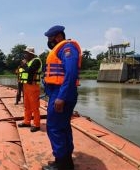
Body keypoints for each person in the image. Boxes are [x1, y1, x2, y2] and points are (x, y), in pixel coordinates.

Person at [41, 25, 82, 170]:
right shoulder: (61, 49)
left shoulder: (67, 48)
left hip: (62, 92)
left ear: (58, 36)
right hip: (57, 92)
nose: (49, 41)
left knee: (54, 128)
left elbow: (70, 73)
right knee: (63, 127)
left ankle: (62, 165)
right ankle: (64, 161)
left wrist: (61, 97)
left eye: (50, 38)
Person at [17, 47, 42, 132]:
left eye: (26, 53)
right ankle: (27, 122)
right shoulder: (28, 62)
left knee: (34, 106)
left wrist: (24, 65)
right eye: (25, 53)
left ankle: (36, 124)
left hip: (33, 86)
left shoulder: (36, 61)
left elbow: (30, 71)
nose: (25, 55)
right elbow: (22, 71)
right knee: (27, 105)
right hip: (26, 86)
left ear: (31, 54)